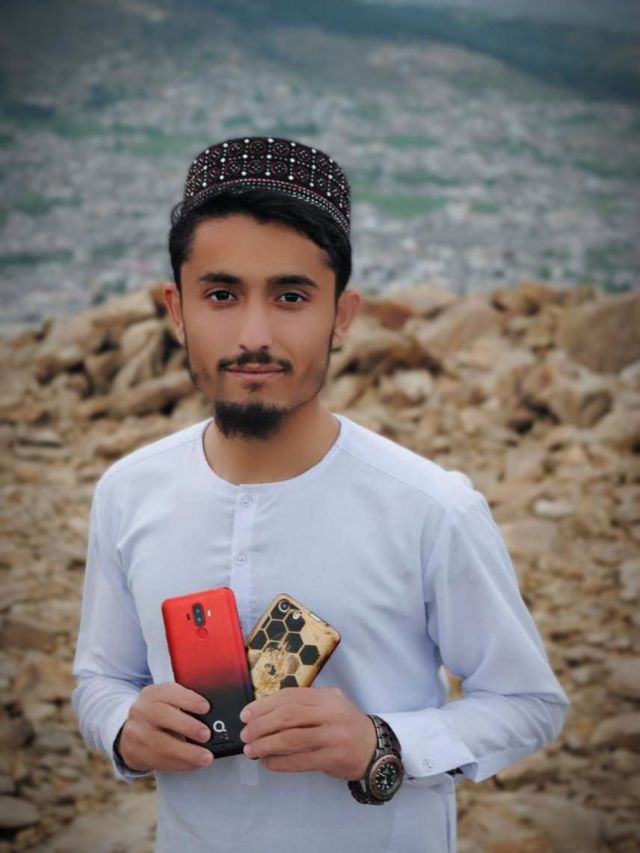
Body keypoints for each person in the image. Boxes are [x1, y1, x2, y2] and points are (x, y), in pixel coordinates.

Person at [72, 135, 569, 853]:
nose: (254, 334)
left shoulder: (430, 508)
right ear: (176, 309)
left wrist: (382, 741)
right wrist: (124, 726)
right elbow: (100, 677)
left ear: (342, 314)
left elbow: (529, 703)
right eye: (221, 295)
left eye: (291, 296)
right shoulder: (128, 493)